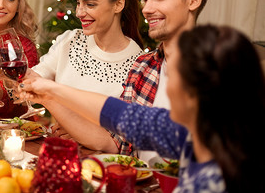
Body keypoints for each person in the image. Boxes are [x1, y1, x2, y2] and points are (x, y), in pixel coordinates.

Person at [20, 24, 265, 193]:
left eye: (173, 76)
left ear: (197, 95)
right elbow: (121, 115)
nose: (166, 87)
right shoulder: (195, 134)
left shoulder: (212, 182)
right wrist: (50, 91)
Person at [25, 0, 144, 152]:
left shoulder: (139, 65)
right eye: (78, 3)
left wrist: (76, 129)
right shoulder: (70, 40)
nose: (79, 12)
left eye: (90, 4)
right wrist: (5, 73)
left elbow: (118, 144)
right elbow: (34, 80)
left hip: (100, 168)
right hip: (62, 154)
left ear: (118, 4)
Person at [112, 0, 212, 159]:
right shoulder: (143, 65)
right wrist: (53, 98)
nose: (146, 9)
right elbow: (117, 143)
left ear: (193, 1)